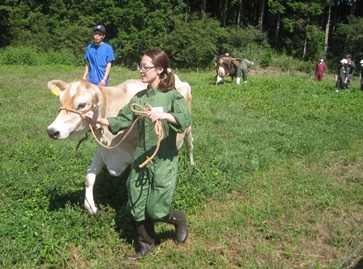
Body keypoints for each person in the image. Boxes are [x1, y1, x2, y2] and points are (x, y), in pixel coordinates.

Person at [84, 49, 191, 260]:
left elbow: (184, 120)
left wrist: (164, 115)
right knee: (137, 203)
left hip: (163, 158)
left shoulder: (172, 96)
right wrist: (96, 119)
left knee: (157, 209)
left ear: (159, 70)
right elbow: (121, 120)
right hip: (142, 157)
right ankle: (145, 245)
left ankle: (178, 220)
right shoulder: (140, 97)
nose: (141, 70)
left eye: (145, 67)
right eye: (140, 66)